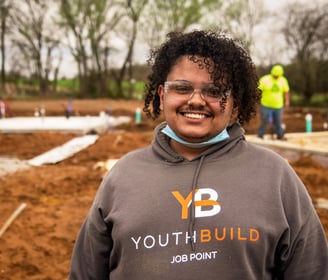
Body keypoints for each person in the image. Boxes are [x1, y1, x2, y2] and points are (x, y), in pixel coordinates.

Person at [69, 30, 328, 279]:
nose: (196, 100)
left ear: (235, 105)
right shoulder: (122, 177)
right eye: (181, 88)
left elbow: (312, 271)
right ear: (162, 95)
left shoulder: (275, 176)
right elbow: (86, 273)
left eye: (214, 91)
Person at [257, 64, 290, 140]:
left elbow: (286, 91)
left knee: (278, 121)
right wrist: (257, 100)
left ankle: (280, 135)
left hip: (278, 105)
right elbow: (258, 90)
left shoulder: (283, 80)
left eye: (278, 76)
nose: (276, 77)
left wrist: (287, 101)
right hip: (265, 104)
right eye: (275, 75)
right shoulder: (265, 79)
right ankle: (260, 135)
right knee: (264, 120)